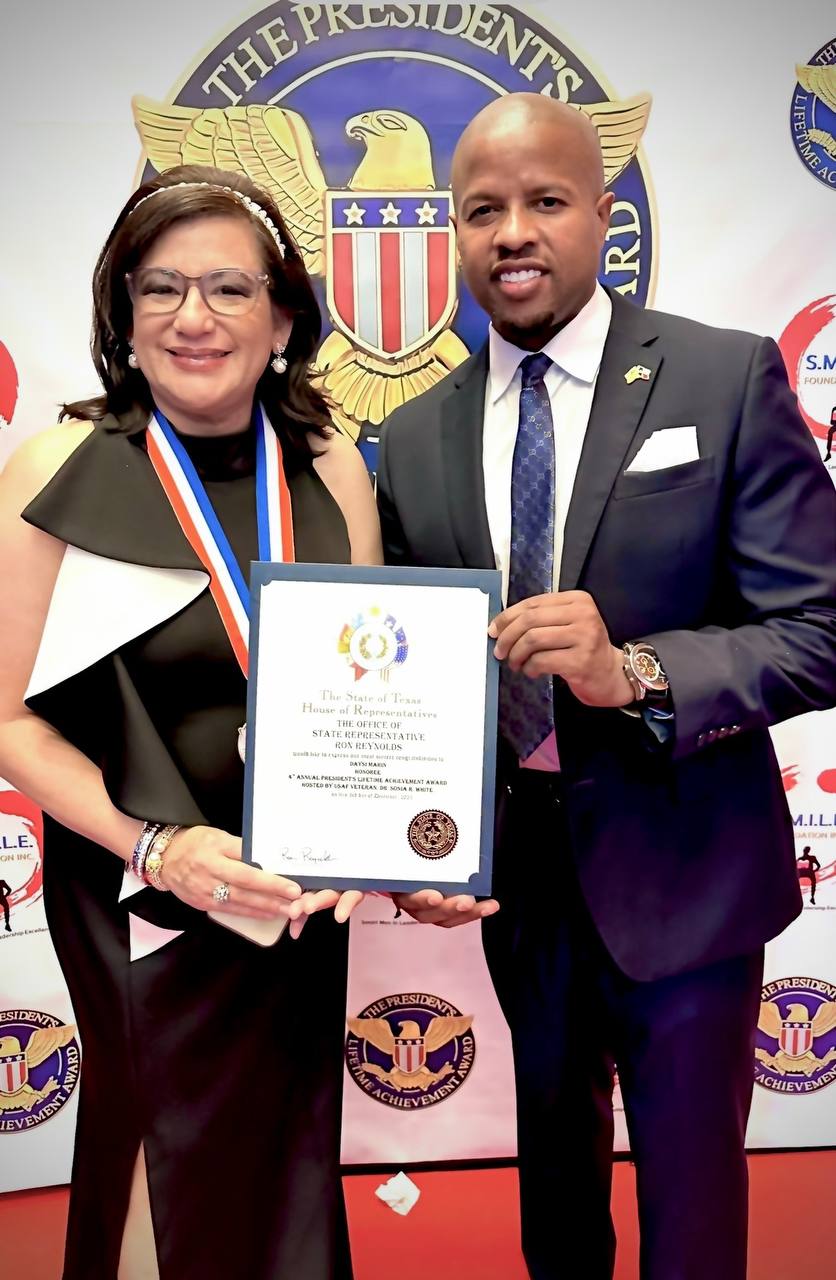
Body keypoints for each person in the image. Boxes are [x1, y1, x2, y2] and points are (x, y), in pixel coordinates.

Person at [376, 94, 836, 1280]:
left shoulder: (720, 377)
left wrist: (629, 668)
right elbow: (407, 671)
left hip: (688, 868)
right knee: (555, 1205)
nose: (511, 233)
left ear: (602, 215)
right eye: (481, 210)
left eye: (542, 202)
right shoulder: (414, 433)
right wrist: (418, 842)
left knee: (691, 1213)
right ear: (455, 235)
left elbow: (819, 627)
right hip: (522, 884)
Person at [0, 164, 382, 1280]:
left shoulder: (326, 465)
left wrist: (390, 840)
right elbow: (7, 719)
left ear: (282, 315)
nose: (192, 316)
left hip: (294, 887)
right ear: (122, 312)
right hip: (135, 886)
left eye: (225, 285)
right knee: (157, 1138)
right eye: (158, 286)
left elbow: (365, 700)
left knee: (287, 1141)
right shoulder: (59, 465)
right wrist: (157, 849)